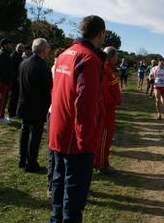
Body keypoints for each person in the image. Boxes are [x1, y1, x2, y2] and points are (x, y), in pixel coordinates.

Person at [48, 15, 106, 223]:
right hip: (76, 137)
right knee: (74, 197)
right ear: (101, 34)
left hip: (58, 130)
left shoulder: (64, 54)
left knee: (58, 185)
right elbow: (86, 102)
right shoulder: (89, 59)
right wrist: (85, 140)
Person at [17, 38, 53, 172]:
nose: (49, 51)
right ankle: (31, 163)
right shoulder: (43, 67)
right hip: (37, 106)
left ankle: (22, 159)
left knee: (24, 130)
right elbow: (47, 89)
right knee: (35, 134)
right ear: (44, 50)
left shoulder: (23, 63)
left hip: (23, 103)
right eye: (48, 48)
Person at [94, 46, 121, 175]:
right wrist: (113, 101)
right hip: (106, 110)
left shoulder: (109, 69)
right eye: (116, 55)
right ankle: (102, 164)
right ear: (111, 56)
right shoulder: (105, 70)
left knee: (106, 137)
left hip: (109, 109)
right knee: (105, 137)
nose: (117, 57)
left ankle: (99, 161)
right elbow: (104, 93)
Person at [47, 47, 66, 199]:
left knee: (59, 152)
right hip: (55, 111)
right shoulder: (57, 68)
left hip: (57, 111)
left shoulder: (59, 67)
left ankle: (56, 185)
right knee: (54, 153)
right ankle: (52, 186)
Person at [0, 38, 14, 125]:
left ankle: (1, 115)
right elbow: (0, 69)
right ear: (4, 45)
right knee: (2, 99)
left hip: (5, 80)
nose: (11, 45)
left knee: (3, 98)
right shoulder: (2, 54)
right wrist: (7, 80)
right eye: (9, 43)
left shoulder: (5, 54)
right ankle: (0, 117)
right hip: (4, 81)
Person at [7, 43, 24, 118]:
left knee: (16, 96)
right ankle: (11, 113)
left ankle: (14, 113)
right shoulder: (13, 56)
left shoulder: (19, 57)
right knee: (13, 97)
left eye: (22, 48)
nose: (20, 49)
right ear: (16, 48)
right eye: (19, 47)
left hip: (17, 79)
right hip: (13, 80)